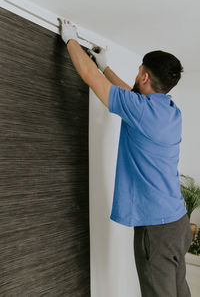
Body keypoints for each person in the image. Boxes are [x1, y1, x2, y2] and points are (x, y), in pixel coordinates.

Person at [57, 18, 193, 297]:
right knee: (180, 291)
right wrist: (106, 66)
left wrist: (70, 39)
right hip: (178, 223)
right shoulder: (170, 111)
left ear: (144, 76)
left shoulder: (141, 111)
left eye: (139, 70)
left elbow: (89, 78)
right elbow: (128, 96)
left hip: (157, 228)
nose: (137, 74)